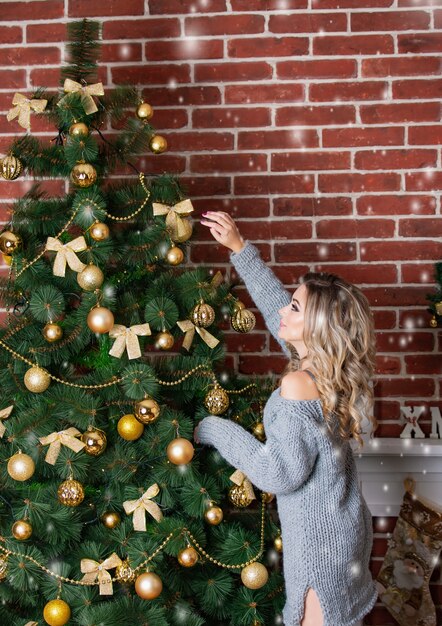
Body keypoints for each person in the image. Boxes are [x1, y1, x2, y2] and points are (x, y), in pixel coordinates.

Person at [194, 211, 379, 626]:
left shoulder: (299, 383)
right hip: (344, 526)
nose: (285, 311)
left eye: (296, 307)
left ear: (314, 327)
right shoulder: (325, 372)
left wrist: (213, 428)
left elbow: (278, 474)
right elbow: (275, 302)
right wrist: (240, 249)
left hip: (320, 547)